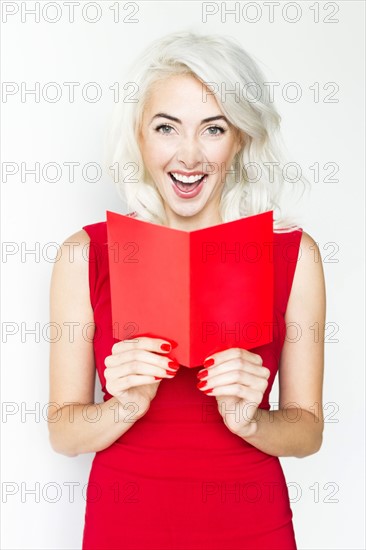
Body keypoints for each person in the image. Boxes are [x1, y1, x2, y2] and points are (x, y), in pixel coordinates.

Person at [48, 31, 326, 550]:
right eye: (167, 128)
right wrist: (124, 406)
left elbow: (307, 430)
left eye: (213, 128)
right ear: (140, 135)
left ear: (240, 136)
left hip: (252, 521)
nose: (189, 155)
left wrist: (251, 421)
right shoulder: (84, 255)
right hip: (125, 524)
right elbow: (63, 432)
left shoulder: (294, 254)